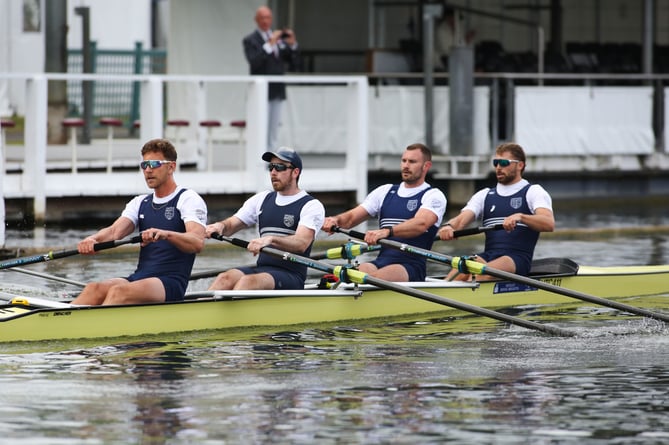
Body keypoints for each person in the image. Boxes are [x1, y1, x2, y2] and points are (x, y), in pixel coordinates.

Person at [71, 139, 207, 305]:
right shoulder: (140, 202)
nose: (148, 170)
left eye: (154, 164)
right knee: (94, 288)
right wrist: (93, 240)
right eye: (144, 165)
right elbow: (115, 232)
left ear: (171, 167)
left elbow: (197, 242)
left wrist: (165, 234)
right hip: (140, 278)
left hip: (169, 283)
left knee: (118, 292)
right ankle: (61, 325)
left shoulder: (188, 199)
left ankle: (94, 328)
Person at [322, 143, 447, 282]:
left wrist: (387, 232)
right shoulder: (385, 191)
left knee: (369, 280)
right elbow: (351, 218)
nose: (406, 165)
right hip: (380, 262)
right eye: (404, 160)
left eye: (412, 162)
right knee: (345, 277)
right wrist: (336, 220)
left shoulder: (433, 195)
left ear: (426, 166)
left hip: (410, 267)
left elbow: (421, 224)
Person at [205, 147, 324, 290]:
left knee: (247, 282)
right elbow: (231, 225)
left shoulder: (311, 205)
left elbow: (301, 243)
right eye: (271, 167)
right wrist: (220, 226)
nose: (273, 172)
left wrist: (270, 239)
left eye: (279, 167)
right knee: (224, 278)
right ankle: (200, 310)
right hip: (263, 269)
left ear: (295, 172)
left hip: (291, 275)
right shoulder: (261, 199)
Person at [438, 142, 554, 281]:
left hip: (516, 259)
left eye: (504, 163)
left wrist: (521, 217)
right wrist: (449, 226)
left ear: (520, 165)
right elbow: (461, 220)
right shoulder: (485, 195)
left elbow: (548, 223)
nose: (498, 167)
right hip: (489, 256)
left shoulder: (533, 191)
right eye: (496, 163)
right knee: (459, 270)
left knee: (479, 274)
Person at [243, 6, 301, 151]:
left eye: (268, 17)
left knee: (273, 128)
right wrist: (269, 44)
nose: (265, 21)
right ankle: (259, 156)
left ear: (272, 19)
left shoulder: (280, 40)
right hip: (261, 90)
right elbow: (254, 62)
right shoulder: (250, 40)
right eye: (262, 17)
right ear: (256, 20)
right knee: (260, 125)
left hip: (277, 89)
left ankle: (270, 158)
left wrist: (292, 44)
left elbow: (293, 63)